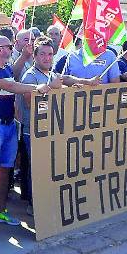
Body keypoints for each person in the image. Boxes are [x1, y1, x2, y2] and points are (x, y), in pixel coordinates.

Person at [0, 35, 54, 232]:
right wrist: (37, 87)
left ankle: (1, 211)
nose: (12, 48)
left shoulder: (5, 67)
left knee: (5, 169)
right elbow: (11, 86)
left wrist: (25, 55)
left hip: (9, 125)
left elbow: (14, 75)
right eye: (9, 46)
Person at [19, 37, 98, 206]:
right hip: (33, 131)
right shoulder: (30, 76)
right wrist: (54, 87)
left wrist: (85, 83)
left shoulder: (52, 74)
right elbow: (29, 102)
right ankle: (36, 207)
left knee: (50, 170)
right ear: (34, 56)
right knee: (37, 171)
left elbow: (66, 79)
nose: (47, 58)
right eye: (42, 54)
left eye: (50, 54)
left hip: (51, 130)